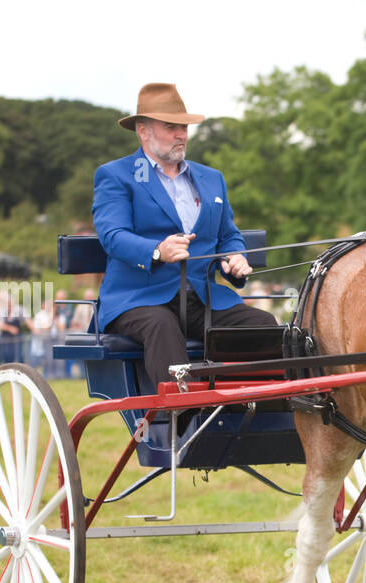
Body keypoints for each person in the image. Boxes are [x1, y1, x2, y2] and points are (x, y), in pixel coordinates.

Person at [92, 82, 275, 389]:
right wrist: (156, 251)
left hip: (202, 299)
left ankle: (254, 409)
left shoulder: (211, 178)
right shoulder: (116, 175)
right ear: (143, 131)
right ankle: (180, 419)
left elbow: (228, 235)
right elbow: (112, 235)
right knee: (162, 326)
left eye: (184, 128)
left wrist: (234, 257)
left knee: (264, 325)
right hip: (137, 299)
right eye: (170, 127)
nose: (181, 135)